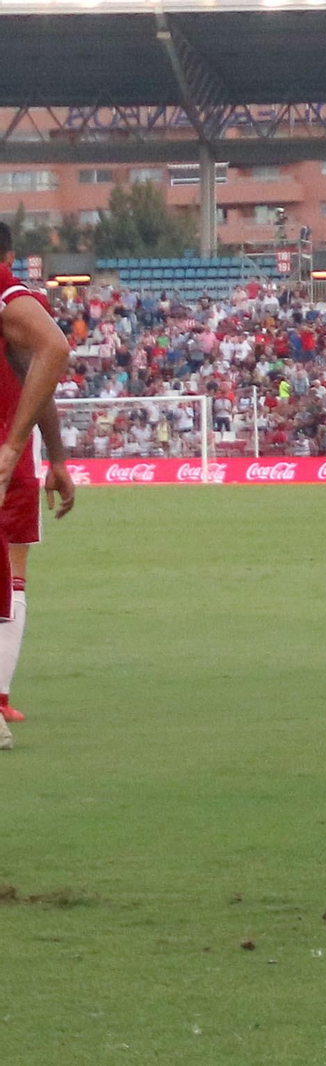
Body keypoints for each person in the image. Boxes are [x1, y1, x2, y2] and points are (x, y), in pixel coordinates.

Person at [0, 224, 76, 747]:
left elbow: (47, 359)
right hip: (12, 459)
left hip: (10, 462)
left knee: (8, 577)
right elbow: (40, 364)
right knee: (13, 577)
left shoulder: (7, 295)